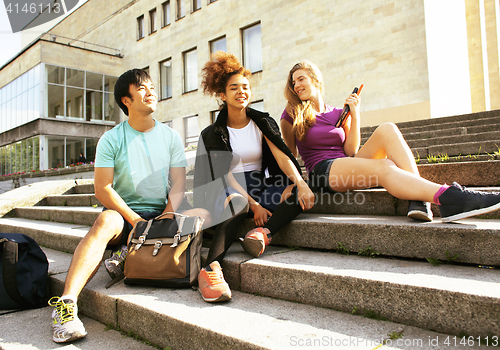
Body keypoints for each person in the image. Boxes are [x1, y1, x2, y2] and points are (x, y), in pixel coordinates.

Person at [47, 69, 209, 343]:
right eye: (142, 88)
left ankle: (129, 253)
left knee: (204, 211)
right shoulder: (111, 139)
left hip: (162, 213)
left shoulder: (170, 137)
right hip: (125, 215)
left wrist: (167, 214)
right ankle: (66, 306)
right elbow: (103, 189)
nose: (151, 91)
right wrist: (135, 220)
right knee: (105, 221)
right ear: (126, 100)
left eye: (152, 87)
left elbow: (179, 184)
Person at [281, 60, 500, 223]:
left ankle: (419, 200)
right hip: (322, 172)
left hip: (345, 164)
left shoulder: (339, 112)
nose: (297, 85)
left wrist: (355, 114)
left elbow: (350, 149)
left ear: (316, 79)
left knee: (388, 129)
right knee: (385, 165)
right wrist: (294, 184)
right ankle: (453, 197)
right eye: (294, 82)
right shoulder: (292, 113)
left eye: (301, 79)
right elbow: (288, 154)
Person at [193, 52, 315, 303]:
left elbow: (282, 157)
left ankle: (263, 234)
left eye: (246, 87)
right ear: (222, 95)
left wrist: (299, 183)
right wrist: (253, 204)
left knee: (298, 192)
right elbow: (225, 177)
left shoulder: (262, 122)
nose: (242, 92)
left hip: (260, 184)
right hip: (228, 190)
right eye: (234, 87)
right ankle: (210, 268)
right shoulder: (213, 132)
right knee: (237, 203)